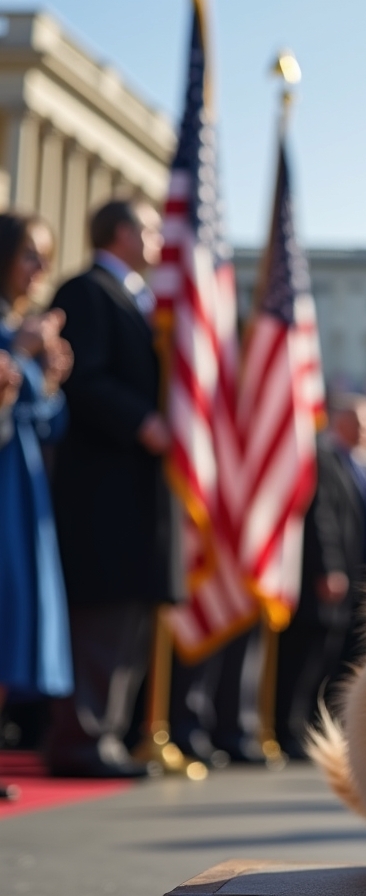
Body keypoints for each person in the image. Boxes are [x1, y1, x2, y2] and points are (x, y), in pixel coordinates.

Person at [45, 200, 169, 778]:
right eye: (148, 228)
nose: (157, 238)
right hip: (99, 490)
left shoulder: (138, 298)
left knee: (127, 616)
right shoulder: (86, 291)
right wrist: (140, 420)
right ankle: (82, 738)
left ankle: (108, 733)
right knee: (100, 614)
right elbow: (83, 377)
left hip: (134, 492)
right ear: (122, 233)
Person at [276, 394, 366, 757]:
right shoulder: (324, 460)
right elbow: (321, 519)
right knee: (313, 659)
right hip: (333, 582)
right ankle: (292, 731)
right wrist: (329, 567)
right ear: (341, 423)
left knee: (351, 662)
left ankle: (338, 733)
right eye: (361, 423)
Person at [0, 215, 73, 799]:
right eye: (30, 254)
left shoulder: (17, 327)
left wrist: (45, 380)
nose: (40, 270)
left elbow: (40, 423)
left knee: (12, 610)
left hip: (18, 486)